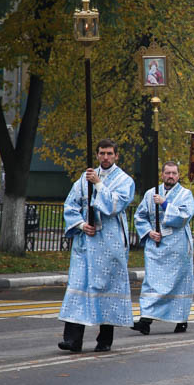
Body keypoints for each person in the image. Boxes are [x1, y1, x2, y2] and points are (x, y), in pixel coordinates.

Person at [58, 139, 135, 353]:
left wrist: (99, 184)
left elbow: (115, 206)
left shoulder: (124, 180)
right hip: (85, 243)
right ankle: (73, 340)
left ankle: (105, 340)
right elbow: (70, 205)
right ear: (97, 154)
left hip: (110, 244)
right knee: (79, 287)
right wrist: (81, 225)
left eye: (109, 153)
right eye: (102, 153)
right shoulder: (84, 179)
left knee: (106, 288)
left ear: (116, 156)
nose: (105, 157)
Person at [131, 161, 194, 335]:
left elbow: (185, 216)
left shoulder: (185, 194)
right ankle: (145, 320)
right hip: (156, 246)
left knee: (177, 284)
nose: (171, 176)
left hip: (177, 247)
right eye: (167, 173)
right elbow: (140, 216)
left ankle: (180, 320)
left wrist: (165, 204)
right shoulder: (150, 193)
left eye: (174, 173)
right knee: (152, 282)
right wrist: (149, 232)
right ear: (162, 174)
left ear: (178, 175)